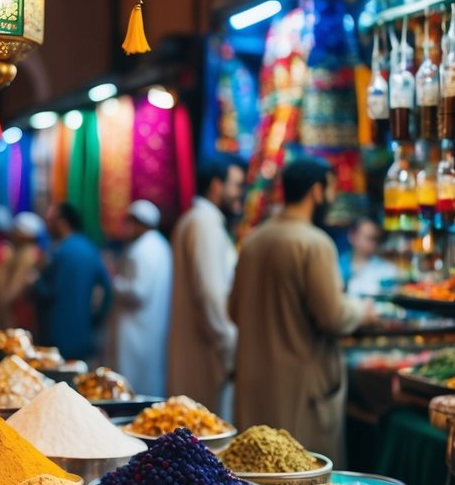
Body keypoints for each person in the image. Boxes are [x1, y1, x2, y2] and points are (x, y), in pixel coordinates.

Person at [229, 158, 376, 465]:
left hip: (255, 387)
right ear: (316, 191)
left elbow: (233, 310)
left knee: (258, 477)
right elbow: (333, 315)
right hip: (301, 393)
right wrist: (361, 311)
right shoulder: (314, 243)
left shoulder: (254, 240)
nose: (332, 199)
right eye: (331, 190)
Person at [168, 158, 245, 416]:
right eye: (236, 186)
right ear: (216, 185)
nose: (240, 195)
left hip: (202, 352)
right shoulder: (203, 224)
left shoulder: (197, 221)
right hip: (208, 357)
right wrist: (231, 350)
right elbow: (211, 295)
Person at [107, 200, 173, 396]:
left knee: (132, 383)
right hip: (150, 325)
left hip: (135, 329)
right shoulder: (160, 245)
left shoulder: (142, 250)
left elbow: (138, 293)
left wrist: (113, 281)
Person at [35, 202, 112, 361]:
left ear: (62, 222)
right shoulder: (90, 248)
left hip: (56, 335)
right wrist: (95, 319)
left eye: (50, 220)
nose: (47, 226)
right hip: (84, 335)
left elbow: (48, 292)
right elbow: (107, 289)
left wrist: (34, 280)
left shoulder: (58, 252)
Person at [0, 211, 45, 333]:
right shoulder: (5, 253)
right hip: (12, 321)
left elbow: (6, 296)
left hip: (22, 322)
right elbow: (4, 296)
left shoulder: (30, 255)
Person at [339, 216, 399, 298]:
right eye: (368, 238)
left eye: (375, 239)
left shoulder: (387, 271)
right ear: (352, 236)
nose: (372, 244)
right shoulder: (337, 264)